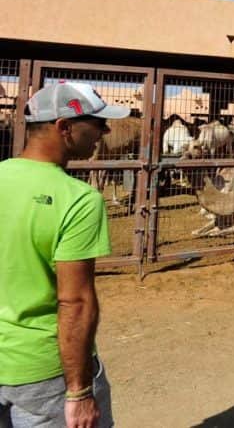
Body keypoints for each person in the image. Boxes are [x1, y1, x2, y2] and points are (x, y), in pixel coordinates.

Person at [0, 81, 129, 428]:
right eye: (97, 122)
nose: (105, 130)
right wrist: (79, 393)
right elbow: (75, 303)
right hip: (43, 372)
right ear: (64, 127)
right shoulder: (78, 199)